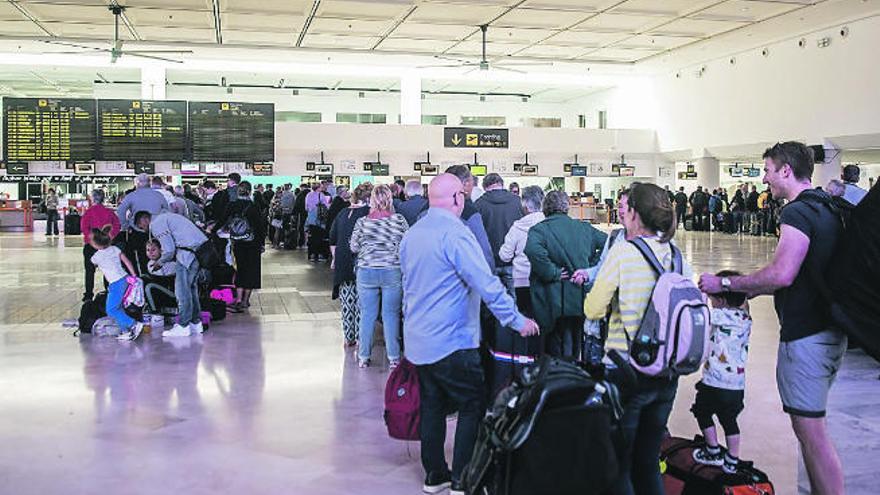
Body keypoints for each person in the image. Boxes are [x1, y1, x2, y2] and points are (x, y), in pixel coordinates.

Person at [700, 141, 846, 495]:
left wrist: (727, 283)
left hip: (807, 336)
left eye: (767, 170)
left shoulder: (796, 213)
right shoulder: (828, 207)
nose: (764, 179)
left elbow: (782, 273)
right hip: (830, 330)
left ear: (784, 170)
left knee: (812, 435)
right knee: (811, 432)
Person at [400, 173, 540, 495]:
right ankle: (465, 478)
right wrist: (516, 320)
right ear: (458, 199)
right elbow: (486, 283)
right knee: (472, 404)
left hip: (420, 340)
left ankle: (435, 475)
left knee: (433, 405)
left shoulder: (413, 235)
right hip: (452, 340)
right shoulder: (457, 234)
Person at [584, 182, 691, 495]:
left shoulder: (623, 252)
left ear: (633, 213)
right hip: (666, 371)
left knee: (619, 462)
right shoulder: (675, 253)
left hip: (626, 371)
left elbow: (593, 309)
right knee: (647, 459)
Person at [525, 190, 607, 359]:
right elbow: (609, 244)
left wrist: (552, 272)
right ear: (567, 207)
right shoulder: (584, 228)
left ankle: (556, 376)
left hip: (550, 299)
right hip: (579, 296)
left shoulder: (538, 231)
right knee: (577, 340)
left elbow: (532, 251)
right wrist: (590, 267)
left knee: (552, 345)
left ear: (545, 208)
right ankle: (575, 375)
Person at [691, 270, 752, 475]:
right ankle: (732, 460)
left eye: (713, 298)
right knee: (729, 421)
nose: (711, 301)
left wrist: (701, 292)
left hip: (714, 382)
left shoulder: (719, 316)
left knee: (702, 411)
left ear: (722, 299)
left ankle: (713, 450)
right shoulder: (745, 318)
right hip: (736, 385)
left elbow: (699, 312)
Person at [349, 185, 409, 369]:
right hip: (392, 271)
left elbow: (353, 247)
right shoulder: (399, 220)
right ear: (390, 199)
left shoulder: (362, 222)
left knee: (367, 314)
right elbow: (407, 245)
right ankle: (393, 357)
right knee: (390, 315)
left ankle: (364, 356)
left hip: (366, 271)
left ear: (372, 200)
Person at [497, 185, 545, 379]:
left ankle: (524, 363)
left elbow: (505, 255)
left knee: (524, 321)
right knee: (541, 322)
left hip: (520, 281)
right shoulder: (546, 223)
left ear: (524, 204)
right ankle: (540, 360)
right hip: (542, 283)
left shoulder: (517, 227)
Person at [136, 210, 209, 338]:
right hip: (197, 251)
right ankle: (195, 323)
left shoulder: (157, 224)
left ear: (144, 220)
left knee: (182, 292)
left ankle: (183, 325)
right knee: (191, 289)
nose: (142, 229)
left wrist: (159, 262)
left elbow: (169, 250)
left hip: (187, 254)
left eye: (140, 225)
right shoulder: (165, 217)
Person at [329, 183, 372, 348]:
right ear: (369, 198)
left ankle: (348, 337)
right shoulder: (369, 213)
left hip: (342, 260)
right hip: (362, 262)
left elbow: (333, 239)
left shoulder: (342, 213)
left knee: (347, 301)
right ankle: (362, 337)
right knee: (363, 302)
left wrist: (335, 258)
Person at [88, 226, 144, 341]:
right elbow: (127, 261)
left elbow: (93, 263)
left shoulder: (96, 257)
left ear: (95, 243)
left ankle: (133, 324)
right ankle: (126, 331)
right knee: (119, 307)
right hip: (125, 279)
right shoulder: (115, 249)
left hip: (115, 284)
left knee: (111, 309)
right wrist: (133, 275)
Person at [475, 173, 523, 291]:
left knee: (491, 302)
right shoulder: (518, 202)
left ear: (485, 187)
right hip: (514, 262)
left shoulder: (478, 204)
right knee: (513, 301)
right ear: (502, 184)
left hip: (489, 262)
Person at [224, 181, 266, 312]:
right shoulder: (253, 206)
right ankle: (245, 300)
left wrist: (212, 230)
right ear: (250, 191)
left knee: (240, 270)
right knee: (252, 271)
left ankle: (237, 299)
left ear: (238, 191)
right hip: (252, 243)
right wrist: (262, 243)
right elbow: (260, 226)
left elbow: (223, 219)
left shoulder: (232, 205)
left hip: (238, 242)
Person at [443, 165, 495, 271]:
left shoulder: (426, 209)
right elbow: (483, 251)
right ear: (465, 184)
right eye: (472, 183)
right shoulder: (469, 212)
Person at [116, 174, 169, 275]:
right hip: (156, 231)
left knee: (139, 255)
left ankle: (141, 276)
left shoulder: (131, 196)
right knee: (157, 254)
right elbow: (166, 210)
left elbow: (120, 211)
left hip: (137, 231)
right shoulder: (158, 195)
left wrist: (125, 225)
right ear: (149, 183)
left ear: (137, 183)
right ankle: (157, 278)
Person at [80, 189, 121, 301]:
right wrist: (108, 238)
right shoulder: (109, 212)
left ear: (92, 198)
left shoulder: (88, 212)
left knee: (89, 270)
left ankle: (88, 294)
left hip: (91, 245)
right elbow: (117, 226)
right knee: (108, 269)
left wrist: (94, 240)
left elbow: (84, 228)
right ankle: (109, 291)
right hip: (107, 245)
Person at [305, 182, 332, 262]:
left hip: (310, 219)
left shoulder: (308, 195)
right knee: (319, 237)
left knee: (312, 237)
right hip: (319, 219)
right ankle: (319, 255)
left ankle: (312, 254)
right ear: (318, 188)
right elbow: (326, 206)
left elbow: (306, 207)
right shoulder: (321, 195)